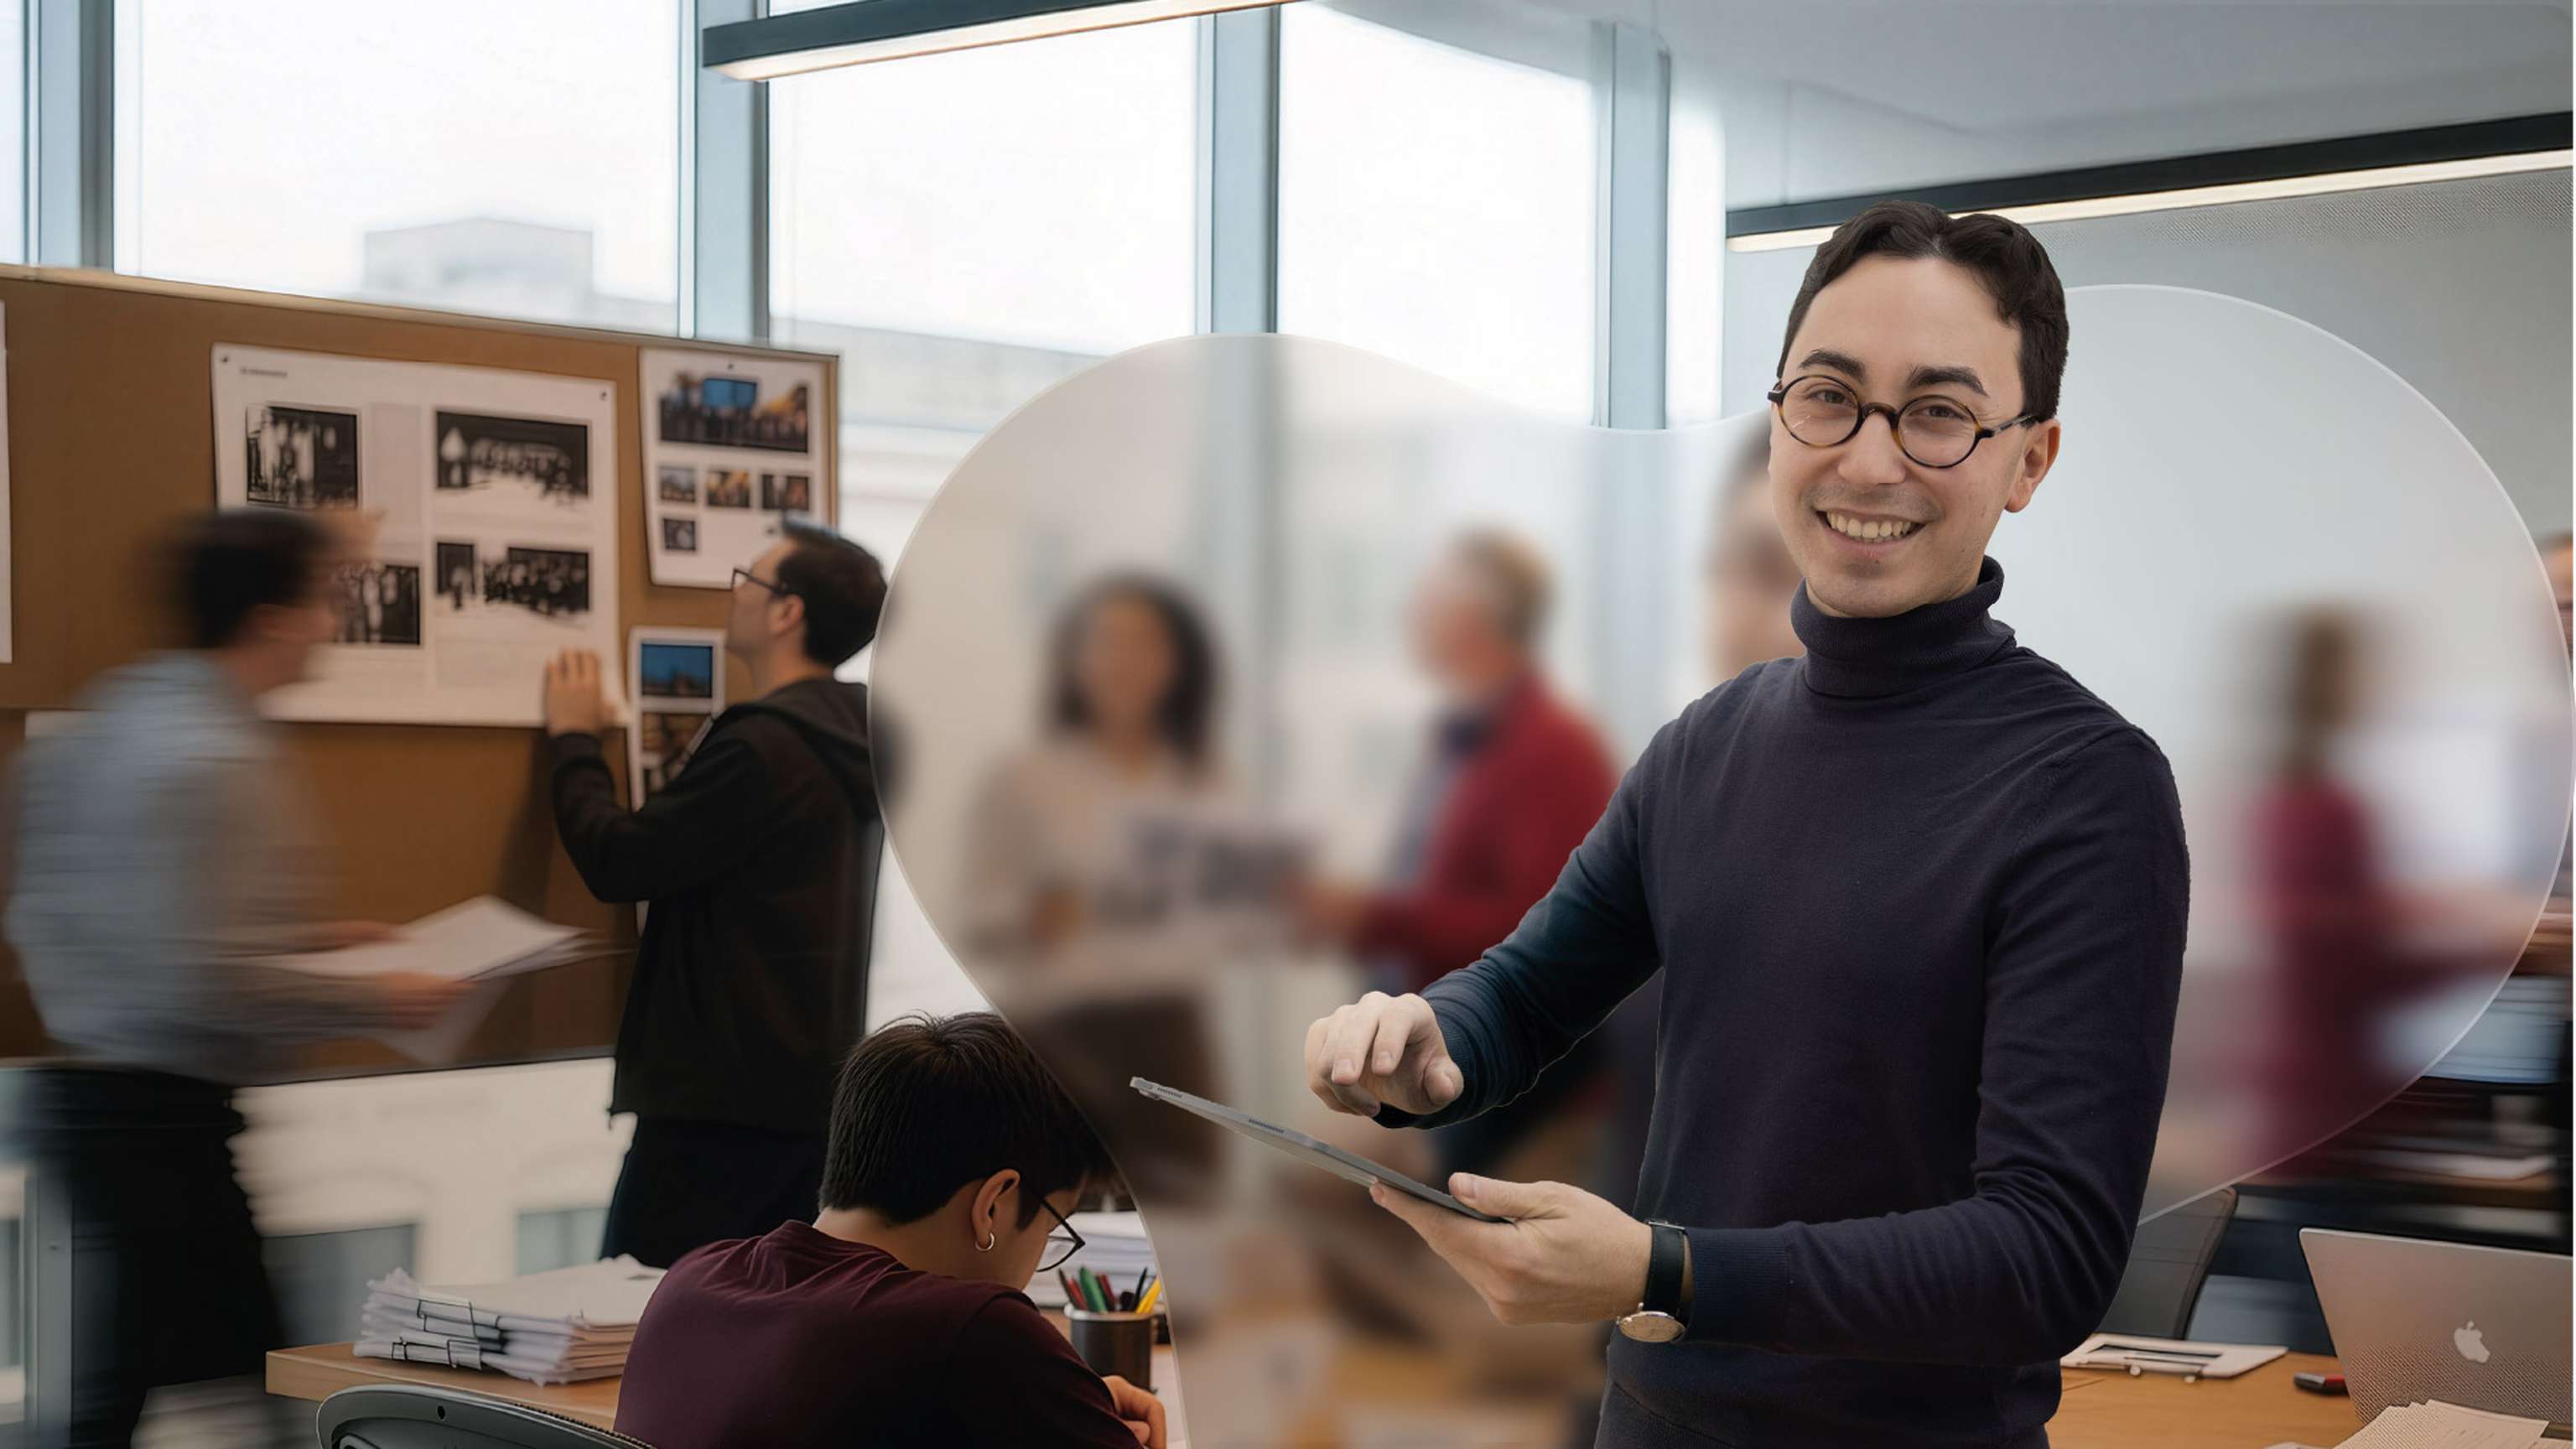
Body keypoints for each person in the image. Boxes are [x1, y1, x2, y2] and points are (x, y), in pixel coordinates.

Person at [1300, 200, 2189, 1447]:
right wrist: (1427, 1044)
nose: (1869, 461)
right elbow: (1526, 995)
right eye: (1830, 397)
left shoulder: (2088, 788)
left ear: (2028, 461)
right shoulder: (1708, 745)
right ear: (1777, 420)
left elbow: (2048, 1257)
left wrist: (1665, 1271)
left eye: (1937, 414)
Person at [5, 509, 465, 1447]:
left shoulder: (112, 719)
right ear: (274, 620)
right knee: (241, 1374)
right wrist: (376, 995)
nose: (332, 623)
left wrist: (315, 942)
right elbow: (197, 978)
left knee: (150, 1378)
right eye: (323, 601)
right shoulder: (215, 755)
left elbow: (119, 923)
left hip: (91, 1100)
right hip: (161, 1118)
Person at [543, 521, 887, 1268]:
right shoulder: (862, 740)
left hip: (715, 1113)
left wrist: (573, 741)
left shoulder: (765, 746)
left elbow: (620, 860)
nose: (734, 596)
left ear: (786, 611)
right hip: (809, 1105)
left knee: (646, 1315)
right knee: (760, 1321)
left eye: (747, 581)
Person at [613, 1012, 1166, 1449]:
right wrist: (1057, 1396)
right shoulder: (979, 1330)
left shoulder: (690, 1282)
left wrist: (1064, 1401)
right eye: (1051, 1224)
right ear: (993, 1204)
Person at [1297, 531, 1617, 1185]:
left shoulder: (1552, 748)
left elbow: (1542, 937)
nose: (1410, 611)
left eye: (1427, 596)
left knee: (1326, 1190)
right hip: (1434, 1061)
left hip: (1516, 1099)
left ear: (1473, 618)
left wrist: (1373, 917)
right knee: (1304, 1181)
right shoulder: (1461, 738)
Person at [965, 574, 1279, 1206]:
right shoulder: (1028, 777)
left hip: (1172, 1030)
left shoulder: (1207, 780)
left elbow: (1245, 918)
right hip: (1058, 1032)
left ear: (1176, 663)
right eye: (1107, 642)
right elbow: (978, 911)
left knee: (1183, 1215)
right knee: (1059, 1214)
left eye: (1145, 644)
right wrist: (1034, 915)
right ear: (1075, 659)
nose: (1125, 662)